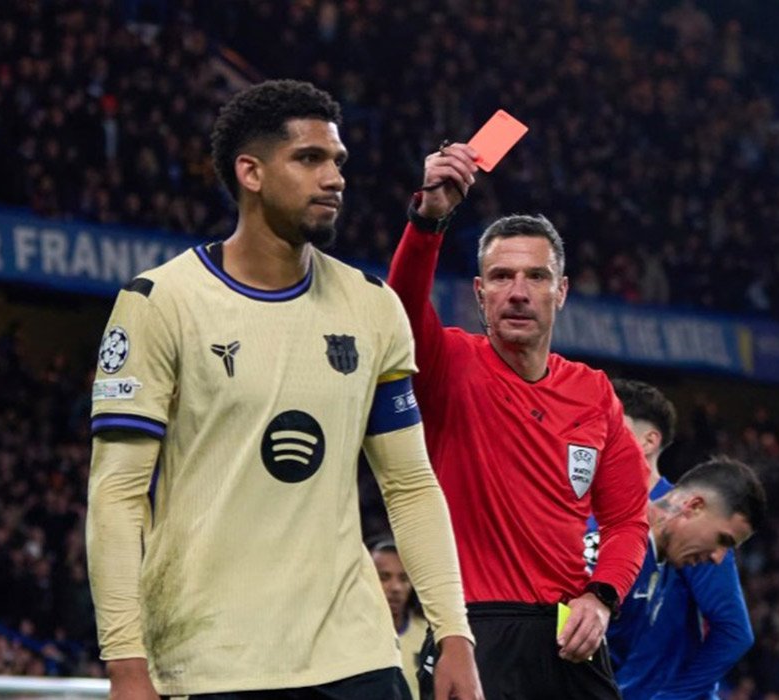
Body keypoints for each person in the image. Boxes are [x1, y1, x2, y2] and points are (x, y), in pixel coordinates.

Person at [85, 80, 482, 700]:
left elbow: (409, 483)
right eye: (309, 159)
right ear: (251, 172)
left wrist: (453, 630)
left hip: (355, 653)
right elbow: (116, 496)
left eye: (338, 161)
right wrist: (124, 661)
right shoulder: (160, 303)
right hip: (212, 657)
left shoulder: (372, 305)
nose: (334, 178)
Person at [386, 144, 650, 700]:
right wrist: (428, 221)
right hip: (474, 627)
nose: (519, 293)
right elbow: (401, 307)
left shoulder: (593, 391)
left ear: (562, 291)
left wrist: (602, 597)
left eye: (536, 277)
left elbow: (627, 519)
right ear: (480, 293)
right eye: (502, 277)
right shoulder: (448, 362)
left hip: (569, 635)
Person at [585, 380, 760, 700]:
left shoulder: (687, 523)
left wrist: (674, 696)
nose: (594, 436)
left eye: (609, 424)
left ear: (649, 440)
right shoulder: (594, 513)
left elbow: (733, 630)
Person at [372, 541, 431, 700]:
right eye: (384, 577)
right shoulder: (349, 636)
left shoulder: (430, 635)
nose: (395, 588)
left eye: (404, 578)